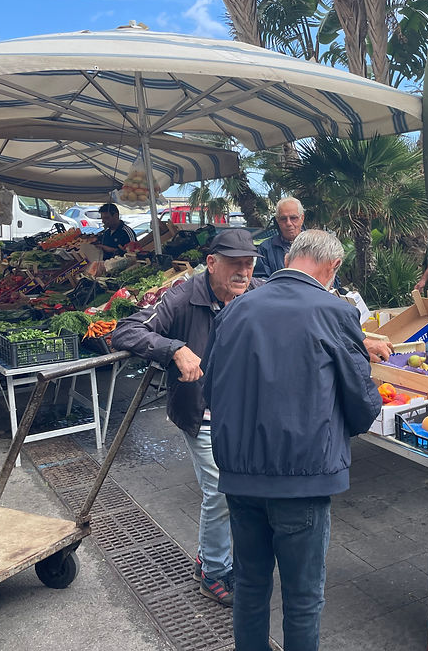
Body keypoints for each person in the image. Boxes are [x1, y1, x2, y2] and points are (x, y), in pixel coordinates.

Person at [204, 230, 382, 651]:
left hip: (239, 477)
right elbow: (362, 403)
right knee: (302, 597)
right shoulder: (334, 311)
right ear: (332, 267)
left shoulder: (236, 309)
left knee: (249, 585)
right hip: (302, 478)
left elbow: (211, 389)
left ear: (290, 256)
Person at [111, 228, 263, 606]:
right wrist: (174, 348)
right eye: (234, 264)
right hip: (202, 411)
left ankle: (208, 556)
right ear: (211, 263)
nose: (243, 272)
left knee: (239, 489)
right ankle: (214, 572)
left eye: (249, 263)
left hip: (245, 412)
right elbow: (126, 331)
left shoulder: (259, 293)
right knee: (221, 490)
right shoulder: (181, 297)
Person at [255, 197, 305, 278]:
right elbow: (260, 280)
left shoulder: (316, 246)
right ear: (277, 220)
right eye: (283, 219)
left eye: (293, 218)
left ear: (302, 218)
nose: (288, 223)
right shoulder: (265, 248)